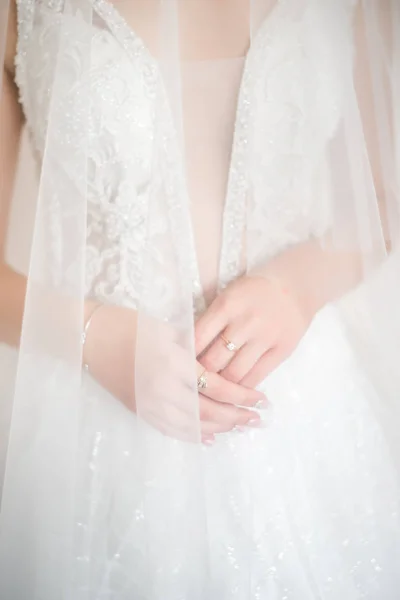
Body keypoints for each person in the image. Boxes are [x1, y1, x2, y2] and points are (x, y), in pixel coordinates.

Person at [0, 0, 399, 598]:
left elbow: (380, 198)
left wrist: (301, 284)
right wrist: (95, 335)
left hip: (301, 403)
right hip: (97, 416)